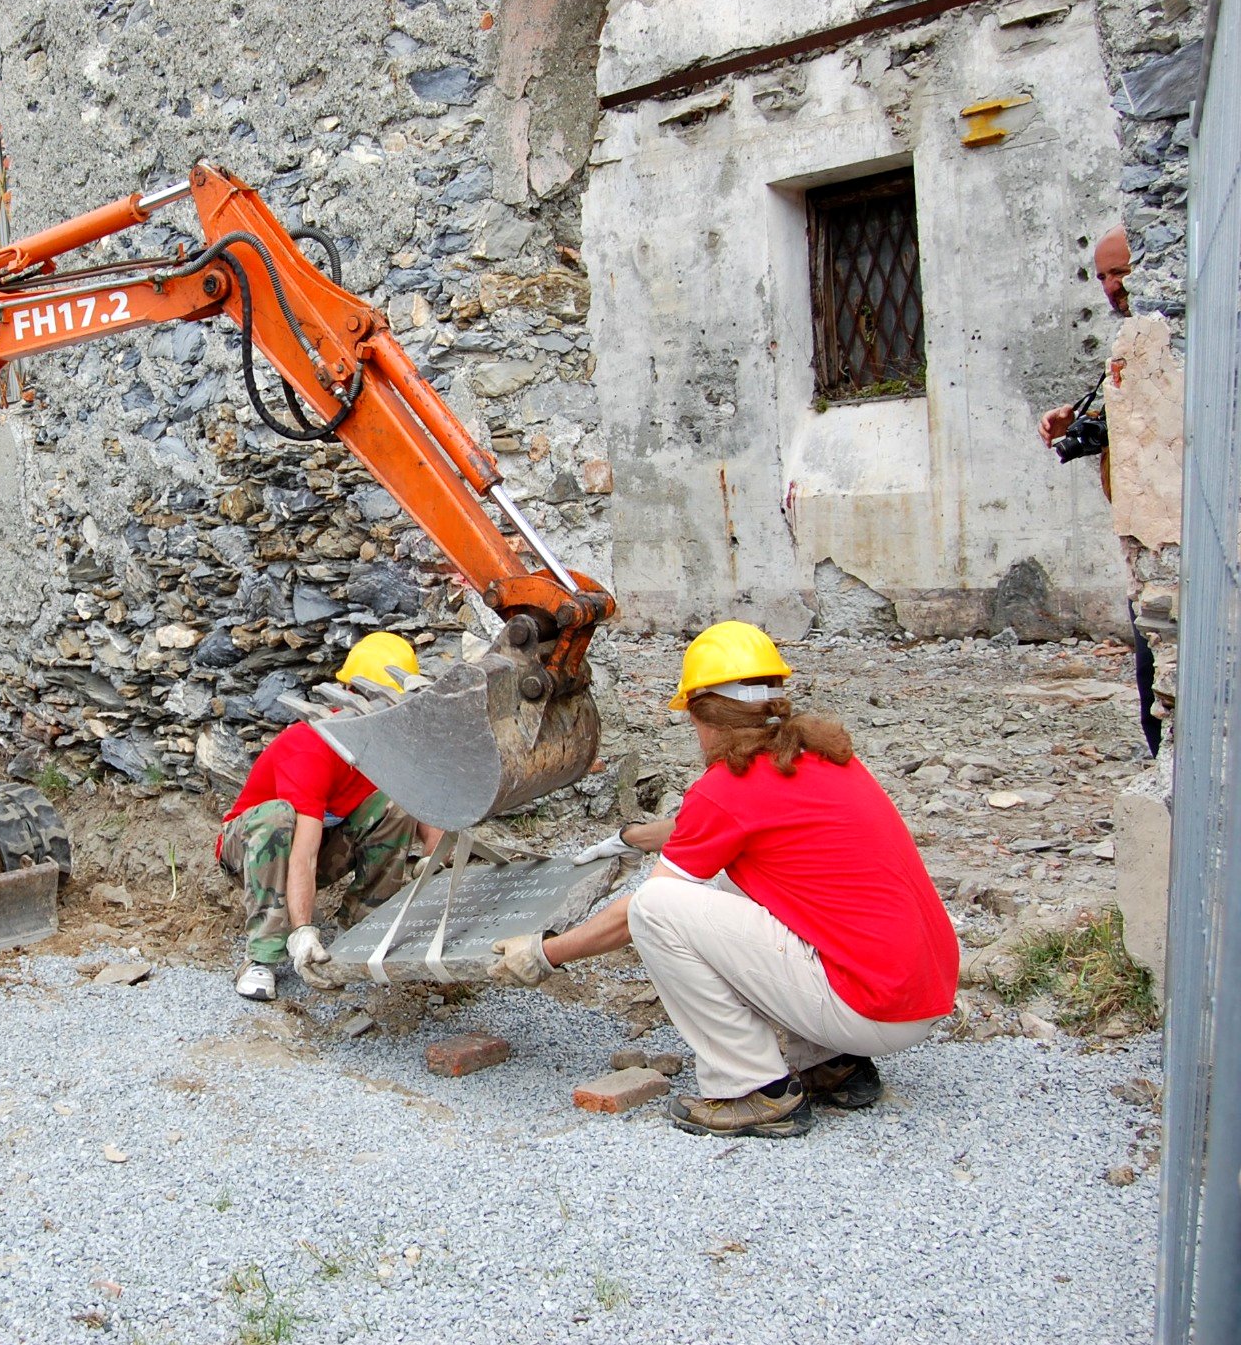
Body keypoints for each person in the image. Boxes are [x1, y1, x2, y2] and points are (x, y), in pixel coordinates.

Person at [492, 622, 958, 1139]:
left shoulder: (728, 787)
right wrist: (632, 837)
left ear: (702, 714)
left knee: (658, 907)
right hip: (919, 991)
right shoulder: (821, 760)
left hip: (869, 1007)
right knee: (740, 883)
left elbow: (641, 912)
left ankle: (755, 1089)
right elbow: (729, 825)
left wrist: (544, 953)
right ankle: (833, 1064)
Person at [219, 633, 444, 1001]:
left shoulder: (386, 747)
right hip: (252, 854)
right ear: (350, 693)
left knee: (396, 806)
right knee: (279, 816)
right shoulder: (311, 747)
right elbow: (303, 853)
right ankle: (262, 956)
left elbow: (422, 809)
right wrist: (303, 930)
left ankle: (361, 928)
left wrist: (437, 866)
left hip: (318, 849)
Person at [1036, 225, 1167, 758]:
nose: (1113, 286)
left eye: (1122, 272)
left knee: (1161, 669)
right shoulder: (1134, 344)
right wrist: (1078, 422)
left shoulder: (1166, 340)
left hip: (1169, 534)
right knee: (1153, 676)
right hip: (1144, 537)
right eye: (1104, 277)